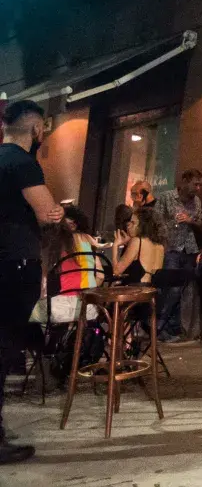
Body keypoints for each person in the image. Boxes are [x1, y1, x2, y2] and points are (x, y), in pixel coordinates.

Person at [1, 100, 64, 464]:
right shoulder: (24, 164)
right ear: (37, 129)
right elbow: (47, 212)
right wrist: (55, 212)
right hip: (14, 261)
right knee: (6, 345)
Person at [158, 169, 202, 342]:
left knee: (184, 289)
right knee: (171, 288)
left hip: (189, 249)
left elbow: (200, 223)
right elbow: (156, 220)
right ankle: (160, 326)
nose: (198, 188)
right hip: (171, 248)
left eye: (200, 185)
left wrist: (190, 221)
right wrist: (162, 243)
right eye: (195, 184)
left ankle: (175, 327)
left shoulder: (197, 201)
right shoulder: (166, 197)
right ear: (184, 181)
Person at [112, 206, 166, 285]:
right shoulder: (160, 246)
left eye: (133, 223)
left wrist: (115, 246)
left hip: (136, 291)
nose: (129, 226)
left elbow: (116, 271)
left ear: (143, 225)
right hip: (152, 292)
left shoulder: (137, 241)